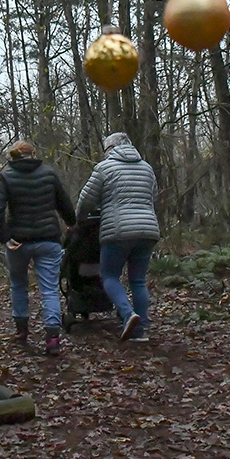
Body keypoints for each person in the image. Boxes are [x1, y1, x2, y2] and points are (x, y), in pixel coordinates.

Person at [0, 140, 77, 356]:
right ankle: (53, 338)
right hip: (48, 239)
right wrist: (71, 222)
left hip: (19, 240)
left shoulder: (5, 175)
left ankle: (21, 329)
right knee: (49, 289)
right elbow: (63, 202)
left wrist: (4, 237)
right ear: (33, 153)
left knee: (19, 285)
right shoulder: (48, 173)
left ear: (13, 156)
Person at [76, 132, 160, 342]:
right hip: (148, 230)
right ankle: (139, 332)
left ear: (111, 148)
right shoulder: (147, 168)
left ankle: (127, 313)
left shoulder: (105, 168)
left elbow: (86, 200)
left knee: (109, 275)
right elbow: (154, 196)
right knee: (138, 280)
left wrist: (79, 221)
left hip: (118, 231)